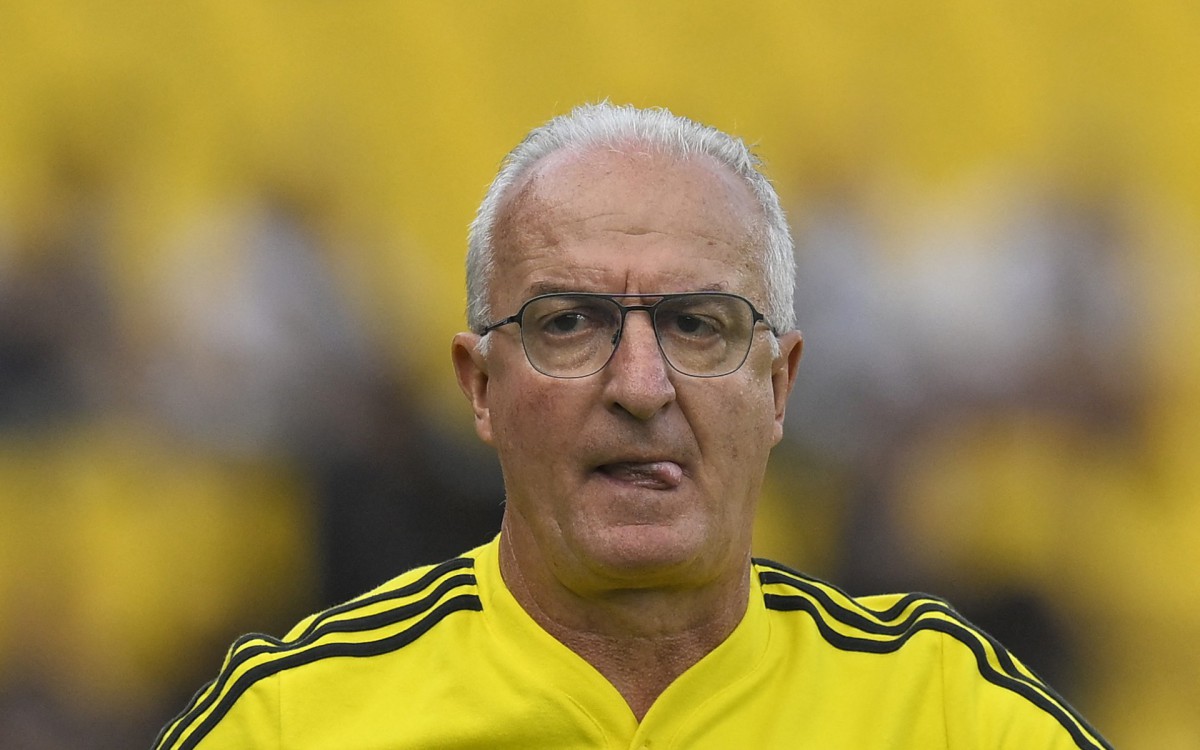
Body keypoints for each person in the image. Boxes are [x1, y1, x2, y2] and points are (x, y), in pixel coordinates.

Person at [153, 103, 1111, 749]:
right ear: (479, 387)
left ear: (780, 387)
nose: (641, 385)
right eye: (569, 324)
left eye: (700, 324)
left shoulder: (944, 715)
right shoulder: (294, 723)